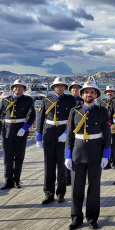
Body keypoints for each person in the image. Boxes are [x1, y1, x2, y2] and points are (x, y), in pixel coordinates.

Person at [64, 79, 112, 230]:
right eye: (86, 92)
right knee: (76, 188)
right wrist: (67, 155)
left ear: (96, 94)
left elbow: (107, 134)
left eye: (92, 92)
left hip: (95, 153)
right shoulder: (74, 111)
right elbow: (69, 135)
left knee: (94, 188)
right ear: (82, 94)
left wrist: (106, 155)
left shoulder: (103, 112)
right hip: (77, 153)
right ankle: (76, 218)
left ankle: (92, 218)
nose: (89, 94)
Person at [36, 76, 76, 204]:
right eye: (57, 86)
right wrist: (38, 135)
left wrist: (66, 132)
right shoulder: (46, 100)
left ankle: (61, 193)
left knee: (61, 165)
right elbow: (40, 118)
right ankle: (48, 193)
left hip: (63, 133)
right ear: (53, 87)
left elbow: (73, 118)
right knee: (49, 165)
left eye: (62, 86)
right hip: (49, 133)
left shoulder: (70, 100)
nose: (59, 88)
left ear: (65, 88)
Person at [0, 79, 35, 190]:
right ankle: (8, 180)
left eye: (20, 87)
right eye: (16, 87)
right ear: (12, 88)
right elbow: (0, 117)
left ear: (23, 89)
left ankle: (17, 180)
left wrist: (24, 128)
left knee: (19, 156)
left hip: (20, 130)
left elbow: (32, 116)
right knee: (8, 157)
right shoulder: (5, 100)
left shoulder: (28, 100)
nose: (18, 89)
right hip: (8, 130)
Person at [66, 80, 83, 186]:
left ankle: (75, 177)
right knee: (66, 154)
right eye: (73, 88)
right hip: (67, 130)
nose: (75, 90)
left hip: (79, 131)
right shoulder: (67, 100)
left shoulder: (83, 100)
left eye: (77, 88)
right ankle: (67, 177)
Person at [100, 85, 115, 170]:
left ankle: (114, 162)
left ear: (114, 93)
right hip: (104, 126)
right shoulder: (101, 102)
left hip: (114, 125)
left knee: (114, 145)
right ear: (106, 93)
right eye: (108, 91)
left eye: (111, 91)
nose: (109, 93)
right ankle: (106, 162)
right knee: (105, 144)